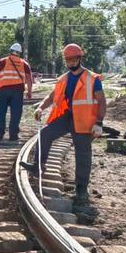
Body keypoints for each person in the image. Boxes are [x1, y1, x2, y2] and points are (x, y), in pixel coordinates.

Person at [28, 44, 107, 206]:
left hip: (84, 121)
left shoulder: (92, 79)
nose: (71, 62)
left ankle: (81, 189)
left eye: (73, 59)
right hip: (67, 117)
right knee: (45, 134)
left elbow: (102, 100)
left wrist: (99, 122)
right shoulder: (64, 78)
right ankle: (38, 166)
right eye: (68, 60)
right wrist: (41, 107)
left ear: (80, 58)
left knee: (83, 154)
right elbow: (52, 96)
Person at [0, 42, 33, 142]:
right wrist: (29, 91)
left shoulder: (2, 61)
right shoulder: (24, 63)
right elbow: (29, 79)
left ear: (10, 51)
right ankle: (13, 136)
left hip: (3, 91)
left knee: (0, 112)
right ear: (19, 53)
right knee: (16, 113)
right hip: (18, 92)